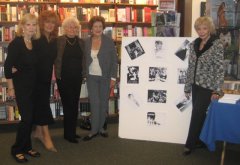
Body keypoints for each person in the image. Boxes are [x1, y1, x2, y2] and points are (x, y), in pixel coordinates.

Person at [183, 16, 225, 156]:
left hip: (208, 86)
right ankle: (201, 140)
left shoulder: (217, 44)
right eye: (199, 29)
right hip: (195, 85)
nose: (201, 31)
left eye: (204, 28)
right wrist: (187, 86)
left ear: (210, 28)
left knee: (196, 115)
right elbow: (190, 67)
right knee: (199, 114)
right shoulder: (194, 44)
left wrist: (217, 90)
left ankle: (189, 144)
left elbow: (219, 69)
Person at [4, 13, 41, 163]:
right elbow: (7, 68)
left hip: (34, 86)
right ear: (22, 27)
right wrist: (11, 88)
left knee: (30, 119)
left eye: (33, 25)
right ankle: (17, 149)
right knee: (26, 119)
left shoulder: (34, 43)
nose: (31, 28)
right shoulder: (16, 43)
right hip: (21, 87)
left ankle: (27, 147)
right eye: (28, 25)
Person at [83, 16, 118, 141]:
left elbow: (114, 61)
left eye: (100, 26)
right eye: (95, 26)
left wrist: (113, 78)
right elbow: (83, 60)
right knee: (94, 103)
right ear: (91, 28)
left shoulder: (109, 41)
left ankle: (101, 129)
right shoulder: (86, 42)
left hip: (106, 77)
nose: (97, 29)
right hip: (91, 77)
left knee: (103, 103)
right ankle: (93, 130)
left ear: (103, 28)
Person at [32, 10, 60, 152]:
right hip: (34, 78)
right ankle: (46, 136)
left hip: (46, 77)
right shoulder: (36, 37)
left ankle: (37, 132)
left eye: (53, 22)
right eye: (47, 22)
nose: (50, 25)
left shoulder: (54, 40)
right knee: (42, 104)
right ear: (42, 23)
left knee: (41, 103)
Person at [54, 17, 85, 143]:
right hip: (63, 78)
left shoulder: (81, 42)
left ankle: (72, 132)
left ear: (78, 29)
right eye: (69, 27)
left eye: (75, 27)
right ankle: (68, 134)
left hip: (77, 78)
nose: (72, 29)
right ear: (64, 28)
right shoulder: (59, 41)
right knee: (68, 106)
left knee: (74, 104)